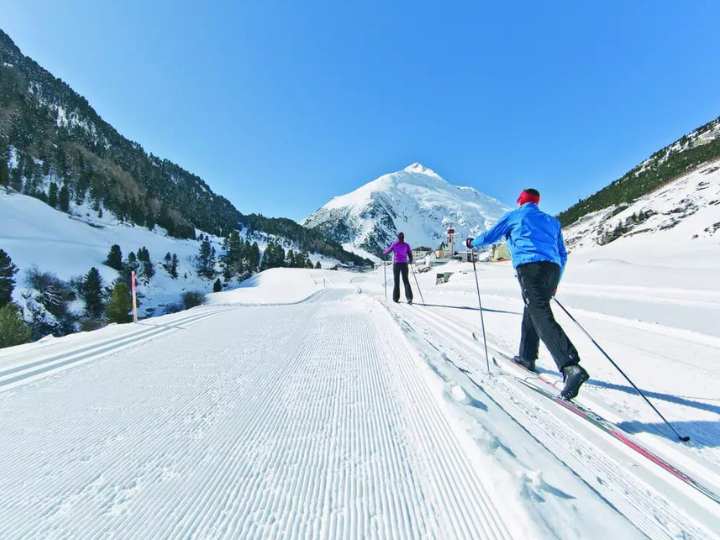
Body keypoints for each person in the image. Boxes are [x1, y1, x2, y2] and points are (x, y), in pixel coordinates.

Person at [465, 188, 589, 400]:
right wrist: (556, 281)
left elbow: (489, 236)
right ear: (537, 202)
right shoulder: (552, 221)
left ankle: (570, 366)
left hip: (530, 267)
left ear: (520, 201)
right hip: (552, 269)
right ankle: (527, 357)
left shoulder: (515, 216)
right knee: (532, 309)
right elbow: (562, 254)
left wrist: (471, 243)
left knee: (539, 312)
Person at [383, 232, 414, 304]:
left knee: (396, 282)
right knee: (406, 281)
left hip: (396, 264)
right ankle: (409, 298)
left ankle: (396, 298)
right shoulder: (407, 245)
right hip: (404, 264)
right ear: (403, 238)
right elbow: (410, 254)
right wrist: (411, 260)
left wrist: (383, 253)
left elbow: (387, 251)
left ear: (397, 238)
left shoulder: (394, 245)